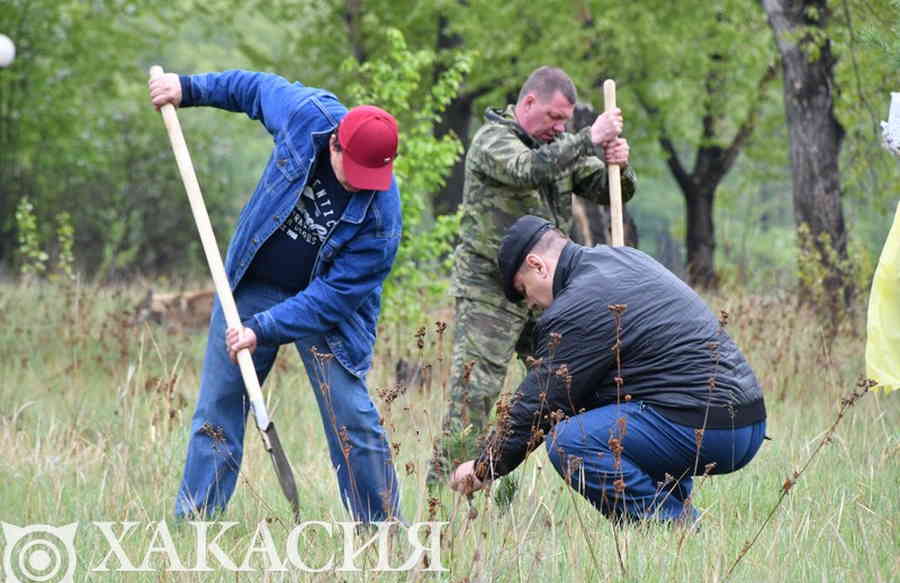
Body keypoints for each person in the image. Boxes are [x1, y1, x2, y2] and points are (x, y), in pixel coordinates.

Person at [148, 70, 402, 522]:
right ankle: (196, 521)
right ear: (334, 145)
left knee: (352, 419)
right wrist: (186, 89)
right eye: (356, 172)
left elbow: (333, 298)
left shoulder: (381, 218)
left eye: (374, 176)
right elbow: (253, 88)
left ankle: (380, 531)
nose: (363, 184)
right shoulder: (307, 116)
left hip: (330, 314)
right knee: (220, 404)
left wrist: (260, 331)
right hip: (256, 282)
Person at [450, 216, 767, 524]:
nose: (530, 303)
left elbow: (540, 404)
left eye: (523, 290)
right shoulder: (622, 259)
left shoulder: (576, 307)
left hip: (712, 430)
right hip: (745, 421)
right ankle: (674, 524)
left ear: (537, 265)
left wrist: (484, 468)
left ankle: (676, 526)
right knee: (619, 413)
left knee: (571, 441)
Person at [431, 66, 638, 480]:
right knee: (475, 393)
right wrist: (588, 138)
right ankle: (445, 496)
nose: (560, 127)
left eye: (566, 121)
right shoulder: (493, 140)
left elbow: (604, 188)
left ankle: (578, 477)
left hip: (544, 289)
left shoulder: (560, 145)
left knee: (563, 385)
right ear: (528, 103)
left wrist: (618, 164)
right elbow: (529, 169)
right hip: (489, 290)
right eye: (554, 118)